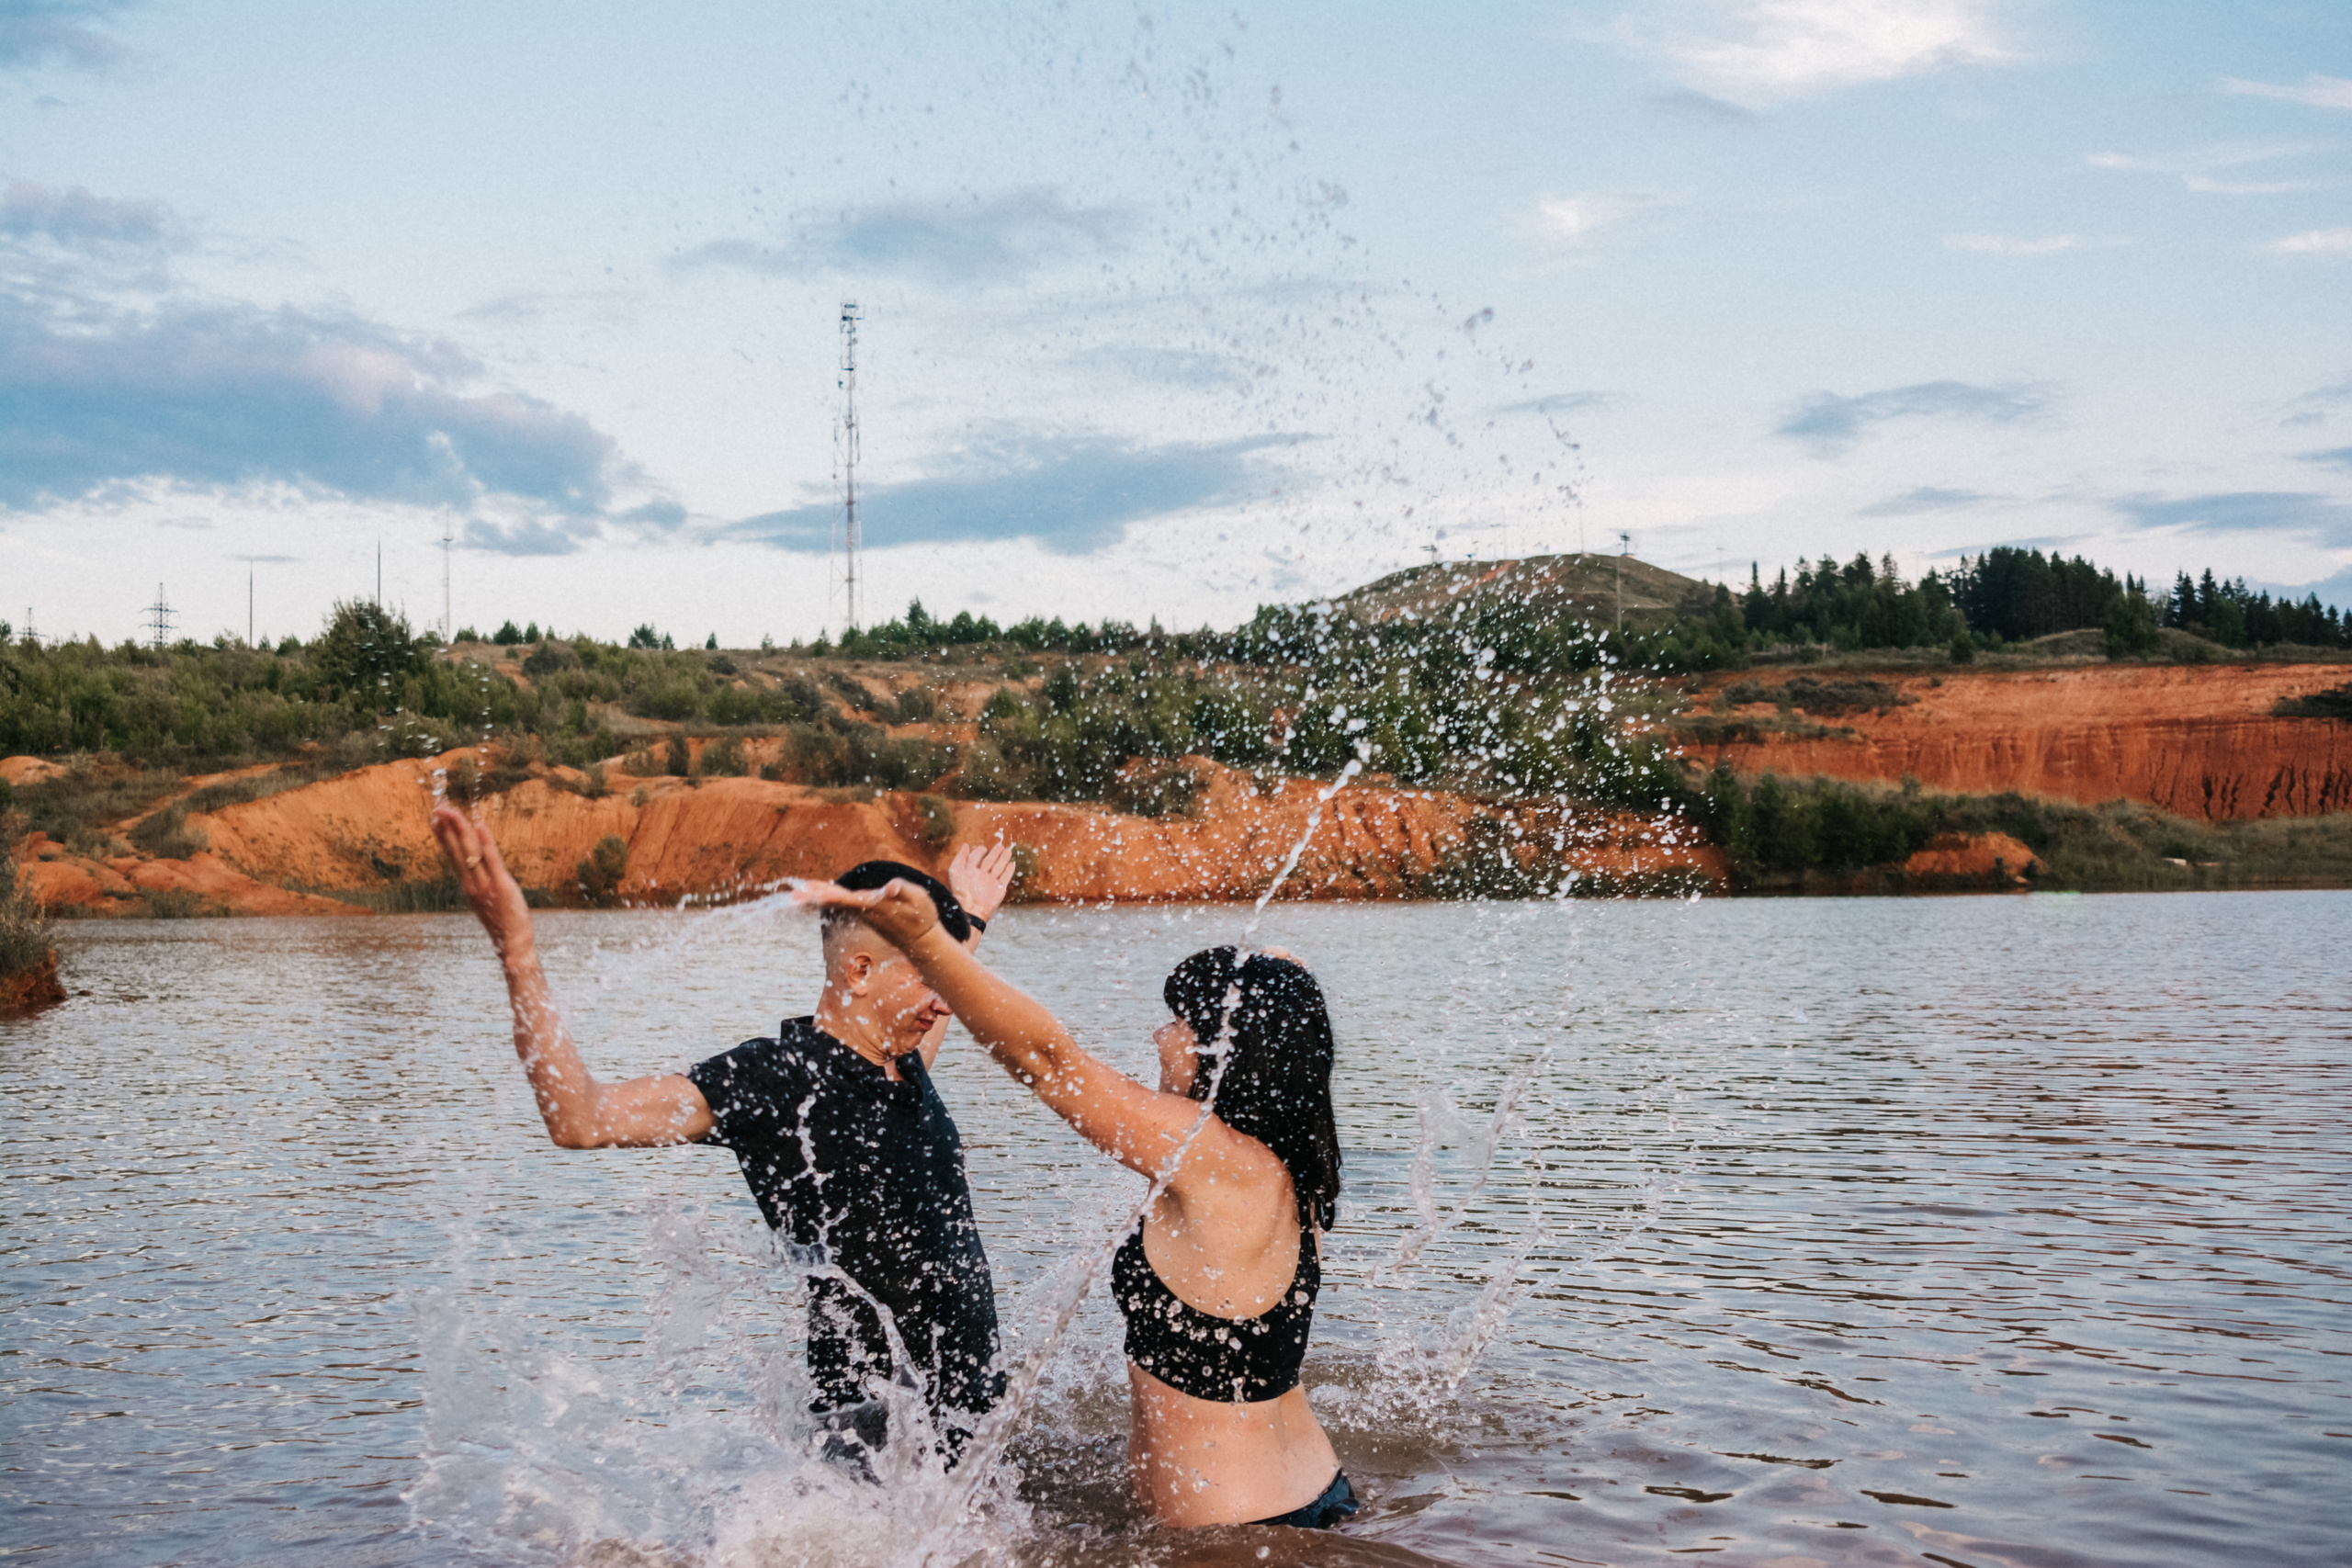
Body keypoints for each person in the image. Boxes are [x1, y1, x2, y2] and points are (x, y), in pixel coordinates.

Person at [427, 802, 1016, 1463]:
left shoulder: (898, 1060)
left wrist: (968, 921)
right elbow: (580, 1117)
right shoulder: (774, 1078)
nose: (947, 1000)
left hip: (963, 1420)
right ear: (858, 972)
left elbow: (914, 1032)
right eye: (930, 978)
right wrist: (517, 952)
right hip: (877, 1437)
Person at [797, 874, 1358, 1530]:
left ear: (1222, 1050)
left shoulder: (1210, 1154)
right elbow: (1289, 1005)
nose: (1160, 1035)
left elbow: (1047, 1059)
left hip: (1241, 1538)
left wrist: (930, 941)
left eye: (1178, 1023)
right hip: (1307, 1493)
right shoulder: (1290, 1158)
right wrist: (1274, 971)